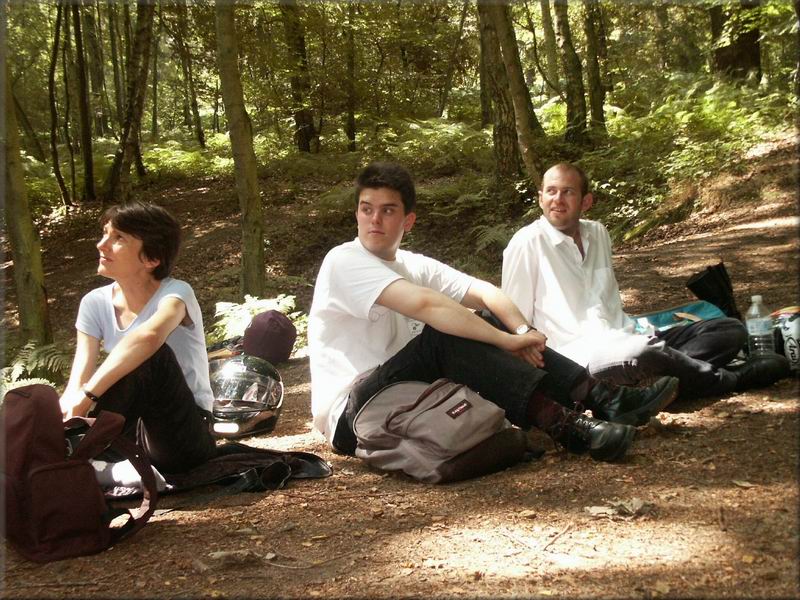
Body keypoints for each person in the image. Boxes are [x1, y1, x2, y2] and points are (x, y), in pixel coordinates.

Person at [308, 162, 680, 464]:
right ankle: (568, 427)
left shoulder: (411, 263)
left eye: (387, 210)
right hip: (352, 411)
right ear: (357, 214)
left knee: (485, 321)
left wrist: (519, 331)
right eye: (366, 209)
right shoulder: (344, 261)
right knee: (444, 335)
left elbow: (487, 293)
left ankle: (602, 398)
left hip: (408, 391)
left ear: (408, 221)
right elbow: (428, 306)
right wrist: (505, 339)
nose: (374, 219)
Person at [501, 162, 789, 401]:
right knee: (641, 353)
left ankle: (657, 385)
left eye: (568, 192)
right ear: (540, 198)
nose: (557, 199)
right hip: (581, 357)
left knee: (728, 329)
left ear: (586, 201)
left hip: (628, 336)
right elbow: (512, 319)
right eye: (551, 191)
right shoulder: (527, 243)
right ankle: (730, 379)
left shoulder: (598, 233)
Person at [60, 201, 217, 474]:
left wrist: (88, 395)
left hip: (184, 433)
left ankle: (86, 456)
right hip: (130, 431)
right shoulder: (94, 302)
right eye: (105, 234)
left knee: (151, 356)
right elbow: (79, 377)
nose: (101, 245)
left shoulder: (176, 294)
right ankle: (74, 457)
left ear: (151, 259)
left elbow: (149, 336)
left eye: (118, 238)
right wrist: (67, 409)